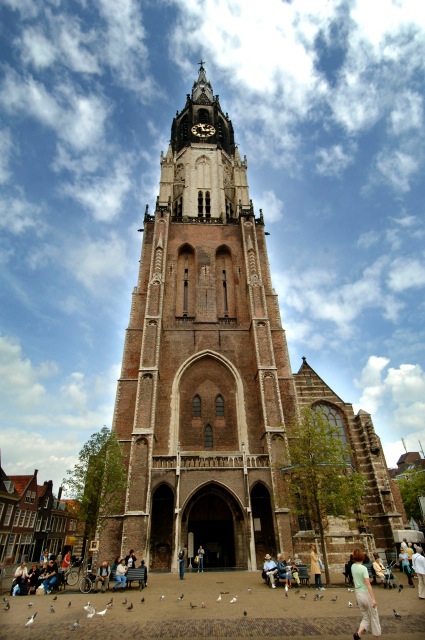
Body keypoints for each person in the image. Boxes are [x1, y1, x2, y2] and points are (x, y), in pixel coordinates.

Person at [352, 547, 381, 639]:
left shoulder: (353, 567)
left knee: (365, 616)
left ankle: (358, 634)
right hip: (365, 593)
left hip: (358, 594)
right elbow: (368, 584)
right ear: (362, 557)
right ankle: (376, 637)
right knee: (374, 615)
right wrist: (373, 599)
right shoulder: (363, 568)